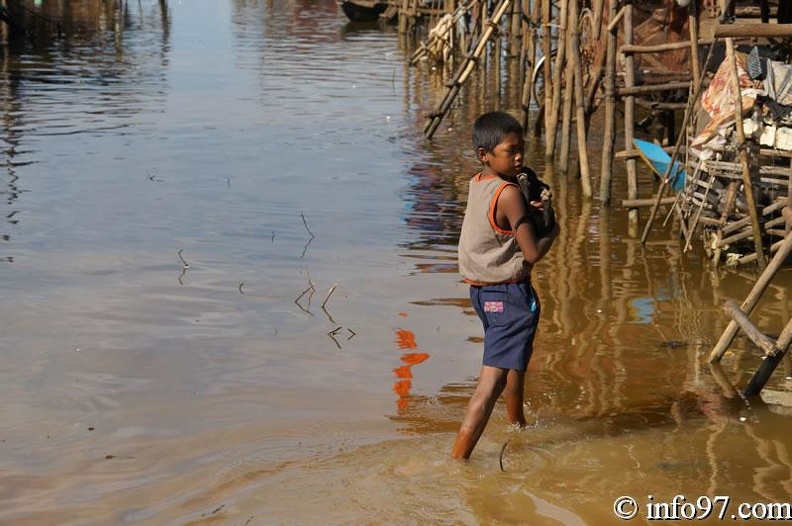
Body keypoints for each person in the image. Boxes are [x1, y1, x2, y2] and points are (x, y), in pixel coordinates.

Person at [451, 111, 559, 460]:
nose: (519, 157)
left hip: (482, 293)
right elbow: (531, 253)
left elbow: (497, 224)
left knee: (514, 360)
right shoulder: (510, 193)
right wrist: (553, 226)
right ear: (486, 154)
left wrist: (525, 210)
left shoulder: (479, 182)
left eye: (521, 150)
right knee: (491, 384)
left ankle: (518, 425)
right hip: (510, 296)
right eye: (510, 151)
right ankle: (458, 459)